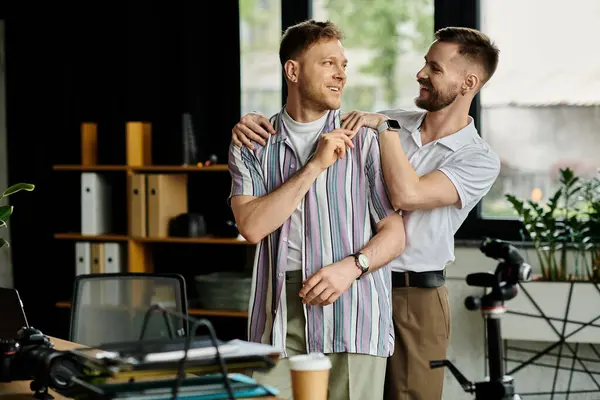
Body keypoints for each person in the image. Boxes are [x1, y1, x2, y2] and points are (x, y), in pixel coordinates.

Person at [231, 26, 502, 400]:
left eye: (434, 68)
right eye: (424, 63)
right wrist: (248, 122)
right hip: (347, 285)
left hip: (411, 292)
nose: (421, 73)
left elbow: (407, 195)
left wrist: (384, 130)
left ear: (468, 82)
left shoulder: (471, 155)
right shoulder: (378, 123)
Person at [228, 20, 406, 400]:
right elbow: (253, 227)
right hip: (278, 313)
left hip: (353, 308)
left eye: (343, 65)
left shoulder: (366, 141)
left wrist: (352, 267)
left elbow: (395, 234)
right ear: (293, 70)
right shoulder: (252, 144)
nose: (341, 74)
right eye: (328, 63)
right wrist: (315, 166)